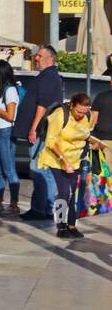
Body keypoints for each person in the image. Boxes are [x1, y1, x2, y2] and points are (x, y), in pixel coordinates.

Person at [38, 92, 103, 238]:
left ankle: (72, 225)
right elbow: (50, 141)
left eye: (84, 112)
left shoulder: (87, 116)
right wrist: (64, 160)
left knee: (75, 193)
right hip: (57, 158)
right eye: (78, 111)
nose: (81, 115)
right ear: (72, 105)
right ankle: (61, 226)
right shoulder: (60, 115)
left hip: (76, 159)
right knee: (64, 193)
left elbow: (86, 135)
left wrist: (95, 143)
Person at [15, 44, 63, 221]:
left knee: (39, 170)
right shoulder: (47, 76)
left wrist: (33, 128)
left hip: (42, 133)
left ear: (50, 59)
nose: (36, 58)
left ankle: (42, 209)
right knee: (43, 172)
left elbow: (42, 105)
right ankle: (43, 208)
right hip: (43, 133)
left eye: (40, 56)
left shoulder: (49, 77)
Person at [0, 59, 21, 216]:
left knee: (8, 169)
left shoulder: (10, 91)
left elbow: (10, 116)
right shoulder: (0, 90)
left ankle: (14, 203)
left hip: (6, 132)